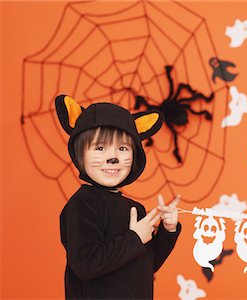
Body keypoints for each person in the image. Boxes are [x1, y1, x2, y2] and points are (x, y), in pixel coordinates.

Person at [56, 95, 181, 299]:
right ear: (81, 155)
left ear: (135, 156)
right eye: (100, 148)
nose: (112, 158)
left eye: (122, 148)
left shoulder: (135, 209)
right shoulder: (82, 205)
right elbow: (85, 265)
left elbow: (146, 265)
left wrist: (168, 230)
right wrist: (134, 238)